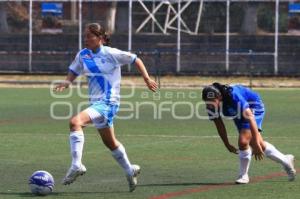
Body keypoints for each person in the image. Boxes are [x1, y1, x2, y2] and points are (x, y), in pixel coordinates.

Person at [54, 23, 157, 192]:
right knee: (110, 143)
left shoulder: (111, 53)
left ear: (100, 38)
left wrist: (146, 79)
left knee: (75, 122)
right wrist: (66, 82)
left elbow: (135, 59)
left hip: (109, 102)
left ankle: (76, 165)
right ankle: (129, 170)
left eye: (89, 36)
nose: (85, 39)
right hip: (96, 104)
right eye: (85, 36)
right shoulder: (83, 55)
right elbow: (74, 70)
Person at [202, 82, 296, 184]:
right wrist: (227, 144)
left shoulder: (234, 96)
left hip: (253, 106)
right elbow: (219, 124)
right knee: (260, 145)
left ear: (219, 96)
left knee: (243, 141)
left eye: (213, 100)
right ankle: (286, 160)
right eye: (208, 101)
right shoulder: (211, 105)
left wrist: (255, 143)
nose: (210, 103)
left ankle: (243, 175)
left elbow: (250, 117)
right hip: (239, 111)